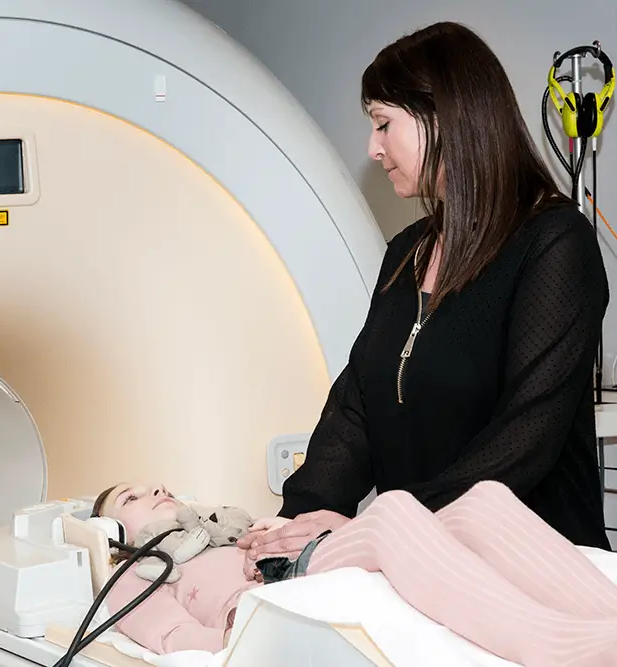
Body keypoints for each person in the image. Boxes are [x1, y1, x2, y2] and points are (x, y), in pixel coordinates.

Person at [240, 20, 611, 566]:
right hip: (418, 564)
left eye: (383, 123)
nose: (372, 147)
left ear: (442, 116)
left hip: (537, 570)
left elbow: (523, 441)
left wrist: (368, 535)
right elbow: (357, 408)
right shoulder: (406, 252)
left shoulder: (555, 244)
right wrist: (292, 527)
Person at [93, 481, 617, 666]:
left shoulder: (233, 524)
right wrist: (234, 625)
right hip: (282, 587)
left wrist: (300, 527)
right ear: (112, 532)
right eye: (132, 497)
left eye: (158, 485)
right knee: (390, 512)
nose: (156, 491)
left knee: (485, 501)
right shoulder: (139, 574)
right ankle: (555, 648)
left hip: (312, 553)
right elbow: (173, 636)